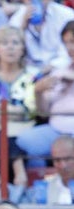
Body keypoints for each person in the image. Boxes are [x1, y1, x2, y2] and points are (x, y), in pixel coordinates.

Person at [15, 20, 74, 166]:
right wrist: (38, 92)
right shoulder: (59, 72)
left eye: (72, 41)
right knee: (25, 142)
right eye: (66, 42)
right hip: (57, 130)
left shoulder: (65, 75)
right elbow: (43, 113)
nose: (69, 48)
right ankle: (39, 186)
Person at [9, 0, 74, 67]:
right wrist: (23, 26)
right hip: (28, 70)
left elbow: (67, 55)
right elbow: (10, 49)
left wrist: (49, 69)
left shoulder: (66, 15)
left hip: (59, 68)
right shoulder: (17, 18)